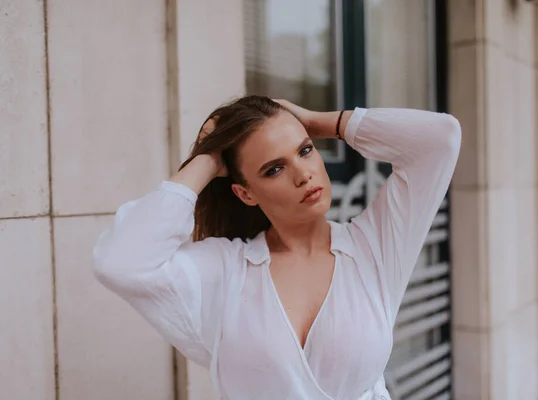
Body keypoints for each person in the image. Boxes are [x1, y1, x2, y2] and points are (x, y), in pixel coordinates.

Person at [92, 95, 461, 400]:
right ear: (244, 192)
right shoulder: (226, 271)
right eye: (274, 169)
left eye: (305, 150)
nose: (304, 174)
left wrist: (315, 121)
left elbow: (439, 139)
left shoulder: (373, 248)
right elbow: (121, 262)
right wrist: (208, 159)